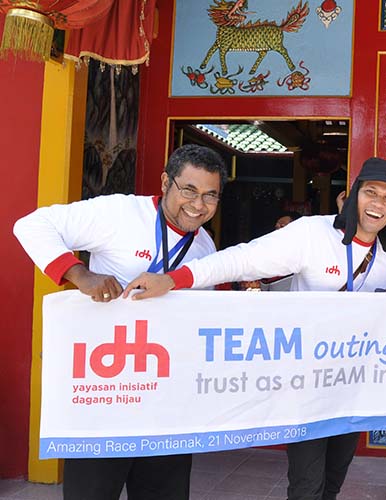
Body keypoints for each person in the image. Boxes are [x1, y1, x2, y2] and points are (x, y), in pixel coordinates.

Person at [123, 157, 386, 500]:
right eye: (371, 192)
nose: (378, 204)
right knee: (307, 485)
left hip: (354, 386)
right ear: (353, 194)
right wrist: (173, 279)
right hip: (308, 384)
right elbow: (241, 259)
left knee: (333, 480)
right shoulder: (312, 233)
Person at [13, 144, 228, 500]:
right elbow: (32, 225)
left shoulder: (205, 247)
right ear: (166, 182)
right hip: (104, 394)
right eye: (189, 190)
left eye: (210, 195)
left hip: (165, 403)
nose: (198, 204)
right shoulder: (120, 212)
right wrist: (80, 274)